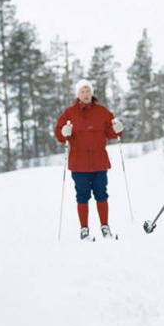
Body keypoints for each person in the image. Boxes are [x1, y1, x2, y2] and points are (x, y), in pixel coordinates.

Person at [55, 79, 124, 240]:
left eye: (88, 91)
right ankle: (84, 229)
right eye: (82, 91)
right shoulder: (69, 113)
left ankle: (105, 226)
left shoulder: (103, 112)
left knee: (102, 194)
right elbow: (59, 135)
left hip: (99, 162)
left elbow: (112, 133)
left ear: (92, 93)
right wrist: (64, 132)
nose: (85, 94)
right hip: (79, 164)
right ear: (77, 94)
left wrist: (118, 129)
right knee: (82, 196)